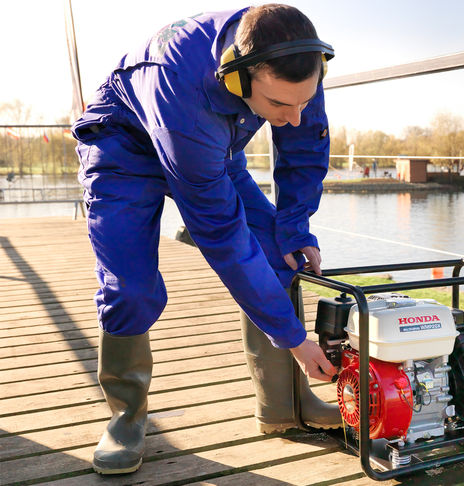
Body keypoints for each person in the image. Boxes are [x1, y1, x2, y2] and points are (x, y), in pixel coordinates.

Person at [72, 5, 340, 475]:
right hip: (126, 147)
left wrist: (295, 226)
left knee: (280, 251)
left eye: (304, 100)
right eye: (279, 105)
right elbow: (223, 235)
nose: (293, 116)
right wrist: (296, 339)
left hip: (216, 146)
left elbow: (305, 143)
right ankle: (125, 415)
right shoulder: (184, 94)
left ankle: (286, 407)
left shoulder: (292, 64)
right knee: (130, 288)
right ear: (238, 79)